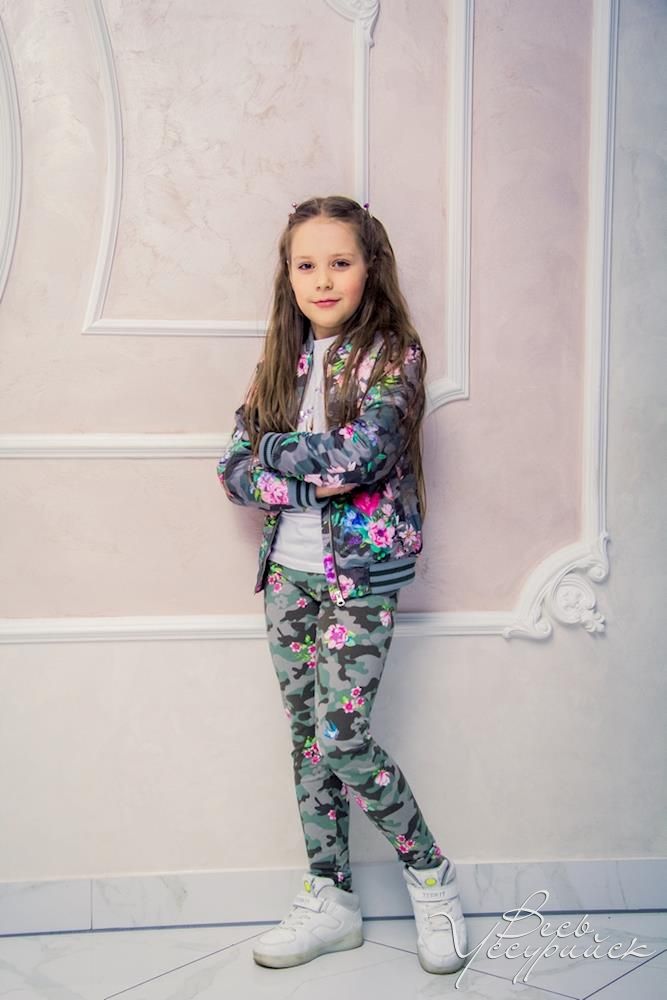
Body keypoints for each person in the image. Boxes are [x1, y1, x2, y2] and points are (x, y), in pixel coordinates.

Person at [216, 195, 467, 975]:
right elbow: (230, 470)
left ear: (369, 268)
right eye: (306, 264)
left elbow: (363, 456)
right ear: (287, 275)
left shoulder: (395, 356)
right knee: (306, 742)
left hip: (359, 577)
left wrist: (274, 455)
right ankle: (330, 898)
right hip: (286, 579)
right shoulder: (279, 360)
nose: (322, 280)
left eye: (339, 262)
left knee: (340, 737)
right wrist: (301, 471)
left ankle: (431, 877)